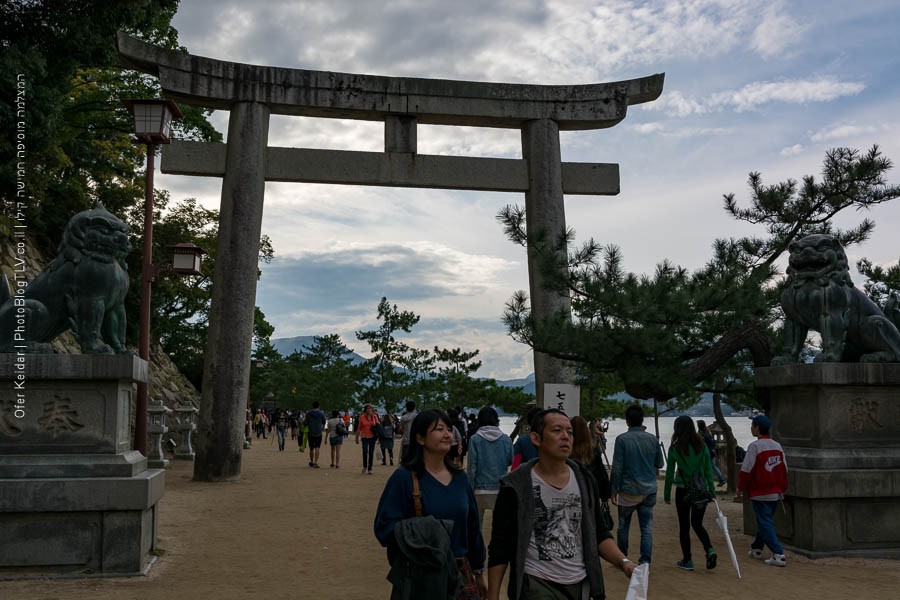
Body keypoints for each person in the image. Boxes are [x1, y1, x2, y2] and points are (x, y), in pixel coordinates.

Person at [487, 409, 635, 600]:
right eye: (557, 430)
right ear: (536, 438)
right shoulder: (515, 485)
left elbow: (599, 532)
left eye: (570, 432)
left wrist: (624, 563)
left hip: (581, 584)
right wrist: (492, 595)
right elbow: (500, 546)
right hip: (536, 584)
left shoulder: (584, 480)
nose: (566, 436)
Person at [374, 409, 487, 599]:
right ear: (420, 438)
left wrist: (478, 571)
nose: (447, 435)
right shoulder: (403, 478)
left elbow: (472, 528)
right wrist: (426, 531)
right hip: (423, 575)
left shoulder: (460, 478)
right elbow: (384, 528)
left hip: (460, 573)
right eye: (439, 429)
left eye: (449, 429)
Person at [609, 403, 665, 565]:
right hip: (649, 489)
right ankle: (645, 560)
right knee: (646, 527)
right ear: (642, 420)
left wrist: (613, 489)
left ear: (627, 421)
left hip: (628, 490)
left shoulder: (621, 440)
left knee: (623, 525)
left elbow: (617, 467)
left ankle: (623, 557)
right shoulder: (653, 439)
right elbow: (660, 464)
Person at [663, 415, 717, 571]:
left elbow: (669, 473)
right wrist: (712, 491)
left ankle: (688, 560)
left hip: (683, 490)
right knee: (697, 524)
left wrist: (667, 494)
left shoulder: (675, 447)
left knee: (684, 526)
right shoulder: (702, 445)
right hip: (701, 490)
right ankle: (710, 550)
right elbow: (708, 470)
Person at [736, 414, 788, 567]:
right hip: (775, 492)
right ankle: (757, 548)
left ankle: (778, 553)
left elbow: (746, 470)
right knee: (765, 521)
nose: (751, 428)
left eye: (752, 425)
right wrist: (782, 488)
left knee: (764, 522)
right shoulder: (777, 446)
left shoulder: (755, 447)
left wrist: (741, 488)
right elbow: (784, 469)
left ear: (757, 428)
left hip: (760, 492)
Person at [467, 407, 513, 523]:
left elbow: (472, 468)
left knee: (477, 525)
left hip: (479, 489)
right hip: (500, 489)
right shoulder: (506, 440)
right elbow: (510, 461)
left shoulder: (475, 439)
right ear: (496, 420)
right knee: (499, 526)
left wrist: (470, 490)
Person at [570, 416, 611, 502]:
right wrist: (605, 495)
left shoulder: (565, 451)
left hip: (570, 492)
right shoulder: (592, 451)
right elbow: (601, 475)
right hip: (589, 493)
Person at [697, 419, 727, 486]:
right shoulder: (708, 431)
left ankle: (720, 479)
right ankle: (721, 479)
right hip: (713, 451)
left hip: (708, 453)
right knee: (713, 466)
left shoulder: (702, 433)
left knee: (710, 466)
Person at [356, 403, 380, 474]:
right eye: (368, 408)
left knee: (371, 452)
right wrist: (356, 438)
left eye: (370, 408)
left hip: (373, 437)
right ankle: (364, 466)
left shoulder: (375, 416)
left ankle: (370, 468)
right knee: (365, 451)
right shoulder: (362, 417)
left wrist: (379, 437)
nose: (369, 410)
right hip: (364, 437)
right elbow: (359, 428)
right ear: (365, 410)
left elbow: (378, 426)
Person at [304, 402, 327, 468]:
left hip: (310, 432)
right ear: (319, 406)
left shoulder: (309, 413)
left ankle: (311, 461)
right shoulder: (321, 413)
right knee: (317, 447)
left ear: (312, 406)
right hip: (318, 432)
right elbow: (324, 422)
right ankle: (315, 462)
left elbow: (306, 423)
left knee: (311, 448)